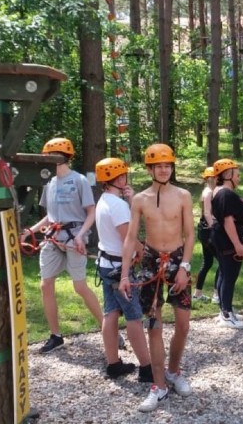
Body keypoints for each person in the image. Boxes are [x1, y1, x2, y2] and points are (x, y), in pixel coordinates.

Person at [118, 143, 194, 413]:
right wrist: (125, 274)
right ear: (149, 168)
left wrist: (184, 266)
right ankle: (159, 386)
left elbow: (190, 234)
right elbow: (130, 238)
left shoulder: (184, 195)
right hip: (150, 263)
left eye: (167, 165)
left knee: (183, 325)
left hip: (176, 261)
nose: (164, 170)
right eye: (158, 166)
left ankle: (174, 371)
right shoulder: (139, 199)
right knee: (155, 326)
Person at [23, 138, 104, 354]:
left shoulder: (79, 180)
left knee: (79, 287)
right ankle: (56, 335)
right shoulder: (48, 183)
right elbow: (49, 217)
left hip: (73, 236)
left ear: (62, 157)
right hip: (53, 238)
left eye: (51, 158)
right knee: (45, 284)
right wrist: (31, 230)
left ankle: (108, 329)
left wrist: (81, 235)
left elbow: (91, 212)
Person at [93, 157, 153, 381]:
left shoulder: (105, 200)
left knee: (110, 312)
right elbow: (128, 239)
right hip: (120, 269)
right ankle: (147, 368)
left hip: (106, 264)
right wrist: (146, 252)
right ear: (118, 178)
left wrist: (130, 199)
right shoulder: (117, 206)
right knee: (133, 316)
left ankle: (113, 363)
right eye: (124, 175)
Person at [209, 159, 243, 329]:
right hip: (227, 241)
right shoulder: (225, 194)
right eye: (237, 175)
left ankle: (225, 310)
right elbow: (228, 221)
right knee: (229, 276)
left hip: (221, 239)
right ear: (228, 175)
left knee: (225, 274)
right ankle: (226, 313)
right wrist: (237, 244)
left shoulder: (220, 192)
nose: (239, 178)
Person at [193, 167, 219, 303]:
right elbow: (208, 213)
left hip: (203, 231)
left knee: (207, 262)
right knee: (222, 262)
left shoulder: (207, 191)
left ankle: (197, 293)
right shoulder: (209, 192)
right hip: (208, 232)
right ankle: (217, 294)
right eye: (215, 177)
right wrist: (214, 228)